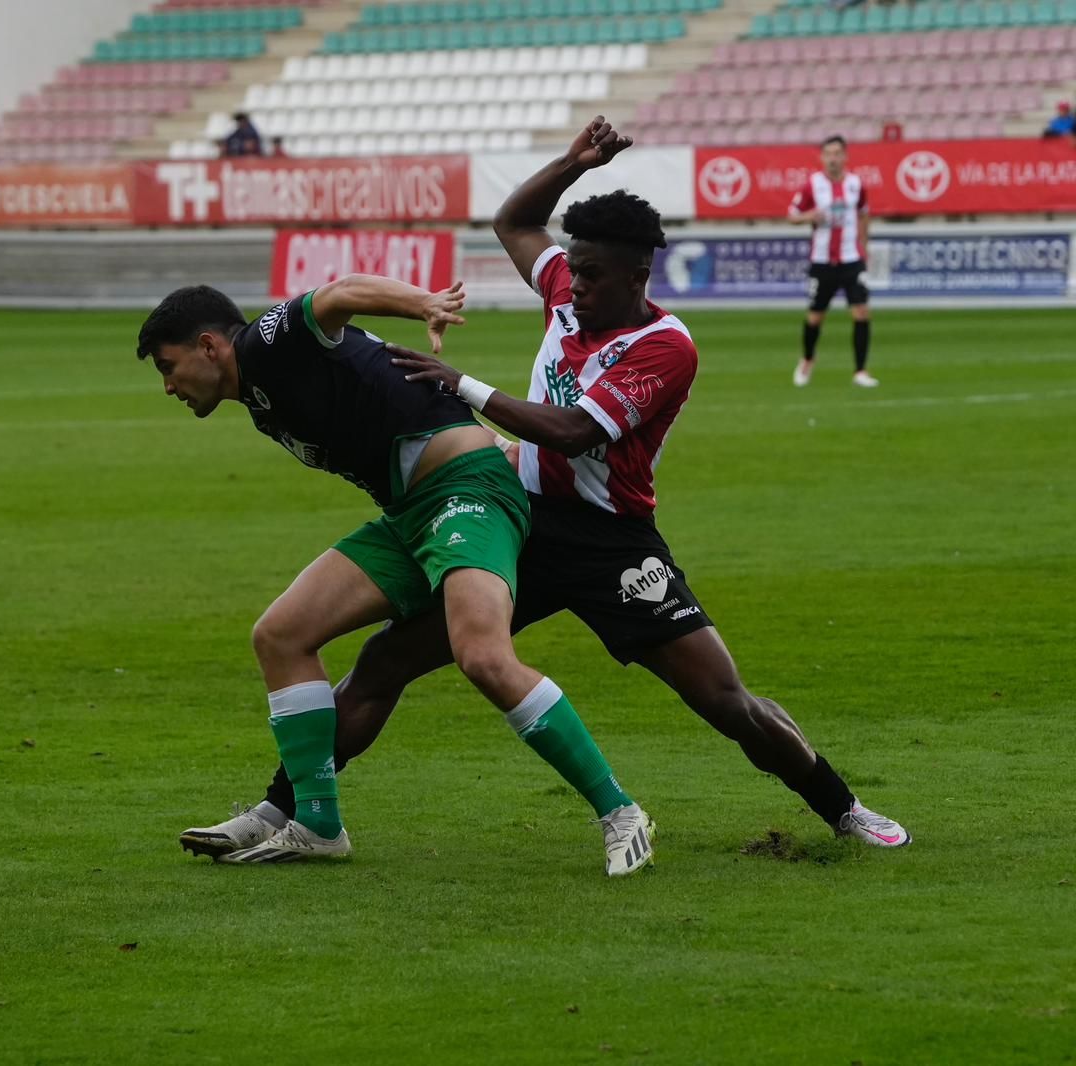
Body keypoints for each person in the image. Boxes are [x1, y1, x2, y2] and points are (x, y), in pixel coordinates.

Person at [187, 116, 910, 863]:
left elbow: (571, 432)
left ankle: (842, 806)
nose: (575, 283)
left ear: (638, 278)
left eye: (593, 274)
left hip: (610, 542)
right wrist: (573, 162)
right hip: (519, 517)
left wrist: (461, 385)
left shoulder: (665, 348)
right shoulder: (570, 285)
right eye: (575, 267)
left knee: (725, 701)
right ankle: (286, 810)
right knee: (385, 663)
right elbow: (515, 220)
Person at [138, 274, 654, 873]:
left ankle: (620, 811)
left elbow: (338, 294)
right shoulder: (258, 395)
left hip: (469, 492)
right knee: (281, 634)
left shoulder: (262, 345)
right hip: (411, 515)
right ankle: (315, 821)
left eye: (168, 367)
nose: (169, 385)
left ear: (208, 346)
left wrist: (425, 304)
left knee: (483, 655)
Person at [788, 135, 878, 388]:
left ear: (845, 156)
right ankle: (807, 359)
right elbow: (792, 215)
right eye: (828, 153)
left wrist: (864, 246)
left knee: (861, 312)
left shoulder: (855, 184)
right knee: (815, 317)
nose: (833, 158)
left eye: (837, 153)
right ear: (822, 157)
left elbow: (863, 214)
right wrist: (810, 216)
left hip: (851, 258)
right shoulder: (812, 185)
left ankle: (860, 370)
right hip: (822, 260)